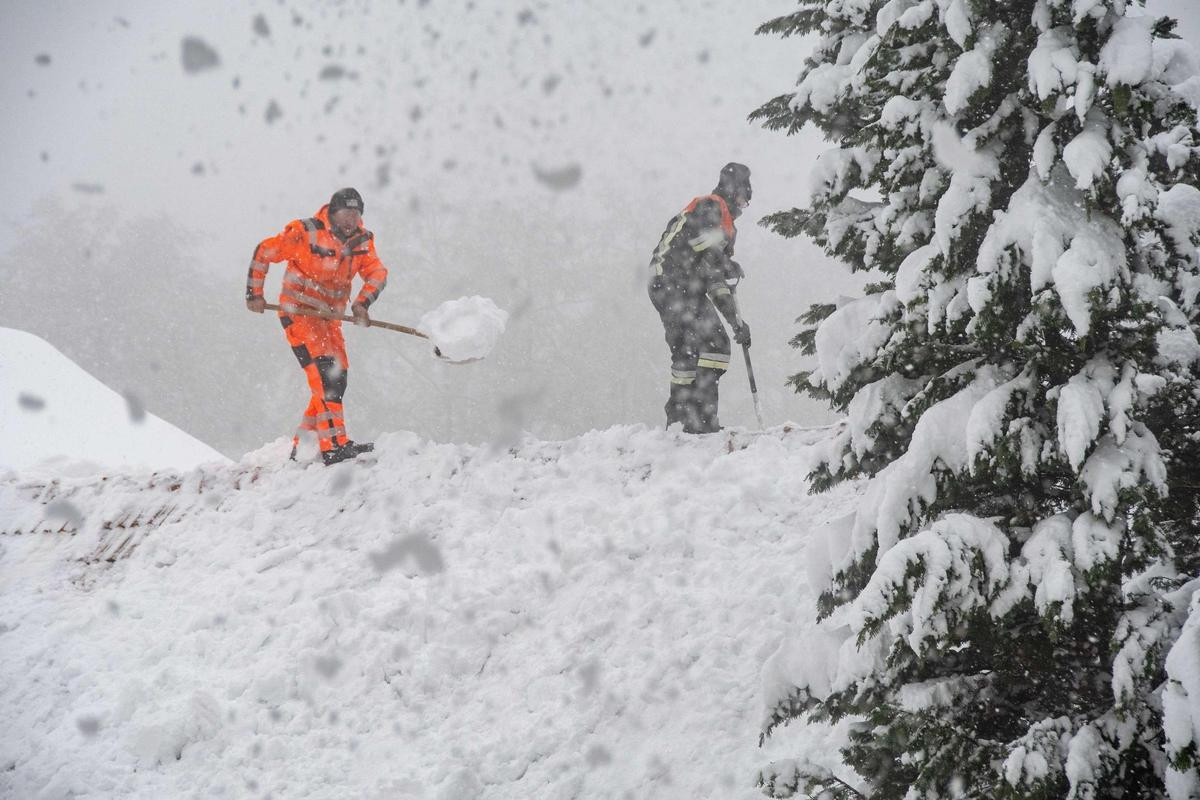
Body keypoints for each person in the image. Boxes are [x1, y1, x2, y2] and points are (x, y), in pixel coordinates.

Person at [245, 187, 388, 465]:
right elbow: (264, 252)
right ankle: (333, 447)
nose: (352, 220)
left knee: (337, 379)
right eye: (347, 213)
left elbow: (377, 272)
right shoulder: (305, 232)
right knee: (326, 377)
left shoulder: (362, 242)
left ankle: (307, 445)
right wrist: (254, 294)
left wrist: (362, 304)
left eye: (357, 214)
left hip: (329, 322)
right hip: (298, 315)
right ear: (332, 212)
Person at [648, 163, 752, 433]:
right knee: (715, 345)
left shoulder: (720, 220)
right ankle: (702, 421)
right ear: (734, 192)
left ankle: (680, 419)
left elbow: (715, 280)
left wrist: (736, 321)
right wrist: (727, 265)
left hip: (666, 284)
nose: (743, 207)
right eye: (743, 199)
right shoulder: (711, 206)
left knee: (687, 352)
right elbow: (709, 255)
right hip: (676, 283)